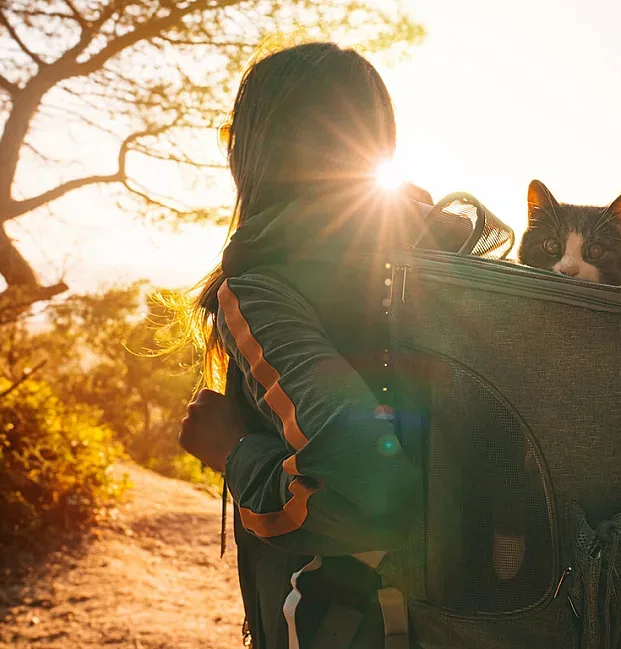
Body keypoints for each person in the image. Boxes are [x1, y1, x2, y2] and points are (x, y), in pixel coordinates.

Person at [174, 41, 438, 649]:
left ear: (258, 147)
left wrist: (233, 448)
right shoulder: (438, 255)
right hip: (463, 611)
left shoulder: (264, 283)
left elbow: (368, 494)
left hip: (347, 621)